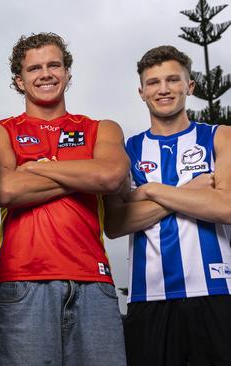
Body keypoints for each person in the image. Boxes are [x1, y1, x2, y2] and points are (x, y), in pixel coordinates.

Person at [0, 33, 128, 365]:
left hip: (93, 280)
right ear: (19, 80)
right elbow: (5, 190)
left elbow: (110, 176)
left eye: (54, 65)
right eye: (34, 68)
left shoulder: (102, 128)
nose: (46, 74)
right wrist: (83, 176)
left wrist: (37, 169)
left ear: (67, 72)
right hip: (22, 280)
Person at [104, 45, 231, 366]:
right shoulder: (127, 150)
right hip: (149, 298)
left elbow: (227, 207)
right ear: (141, 92)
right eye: (153, 82)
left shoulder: (221, 137)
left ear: (190, 86)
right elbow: (115, 224)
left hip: (216, 292)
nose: (163, 89)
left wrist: (150, 191)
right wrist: (192, 191)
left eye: (172, 80)